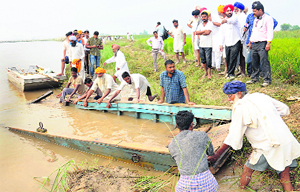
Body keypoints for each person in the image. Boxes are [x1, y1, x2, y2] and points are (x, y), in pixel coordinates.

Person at [208, 80, 300, 191]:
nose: (228, 99)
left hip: (269, 145)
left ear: (239, 94)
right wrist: (267, 116)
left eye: (230, 96)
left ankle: (242, 189)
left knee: (247, 170)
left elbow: (233, 136)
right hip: (286, 141)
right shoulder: (260, 96)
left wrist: (216, 155)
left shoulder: (240, 106)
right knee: (285, 176)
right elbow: (284, 109)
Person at [168, 111, 218, 192]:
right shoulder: (202, 135)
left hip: (185, 186)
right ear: (191, 124)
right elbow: (211, 154)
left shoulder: (172, 145)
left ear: (177, 126)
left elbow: (178, 161)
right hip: (207, 183)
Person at [246, 1, 274, 87]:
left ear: (260, 10)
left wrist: (268, 43)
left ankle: (267, 80)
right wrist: (250, 41)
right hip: (254, 43)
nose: (253, 13)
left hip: (263, 43)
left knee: (264, 62)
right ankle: (254, 78)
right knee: (254, 61)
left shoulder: (268, 18)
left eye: (255, 11)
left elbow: (269, 31)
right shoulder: (255, 19)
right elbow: (253, 31)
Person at [243, 10, 278, 77]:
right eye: (253, 10)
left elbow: (275, 23)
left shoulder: (266, 16)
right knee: (251, 60)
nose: (254, 12)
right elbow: (248, 25)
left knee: (263, 60)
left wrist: (266, 30)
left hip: (262, 40)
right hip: (252, 40)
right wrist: (245, 28)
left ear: (260, 10)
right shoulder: (250, 16)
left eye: (255, 10)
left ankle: (263, 75)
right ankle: (252, 75)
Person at [220, 4, 242, 80]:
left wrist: (225, 20)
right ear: (225, 12)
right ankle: (229, 73)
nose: (229, 12)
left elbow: (231, 21)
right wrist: (221, 44)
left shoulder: (234, 17)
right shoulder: (223, 22)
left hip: (235, 41)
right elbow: (222, 34)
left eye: (230, 10)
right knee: (228, 58)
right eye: (227, 11)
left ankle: (231, 74)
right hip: (227, 42)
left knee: (233, 58)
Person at [196, 10, 213, 79]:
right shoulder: (200, 24)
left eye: (205, 17)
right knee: (203, 59)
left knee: (208, 60)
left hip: (208, 45)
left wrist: (201, 32)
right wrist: (203, 31)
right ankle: (205, 72)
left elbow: (208, 32)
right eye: (202, 17)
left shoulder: (210, 24)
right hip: (201, 44)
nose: (203, 18)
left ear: (207, 17)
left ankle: (209, 73)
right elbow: (196, 32)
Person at [234, 2, 247, 77]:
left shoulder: (243, 17)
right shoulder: (237, 16)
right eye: (234, 9)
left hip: (242, 39)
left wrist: (241, 39)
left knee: (242, 56)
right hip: (237, 39)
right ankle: (240, 70)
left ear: (240, 9)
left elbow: (242, 29)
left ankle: (243, 72)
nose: (235, 11)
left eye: (236, 9)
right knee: (239, 56)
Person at [216, 5, 228, 76]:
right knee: (225, 56)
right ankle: (226, 70)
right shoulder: (221, 20)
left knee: (227, 56)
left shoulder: (227, 20)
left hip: (229, 41)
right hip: (223, 41)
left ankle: (229, 70)